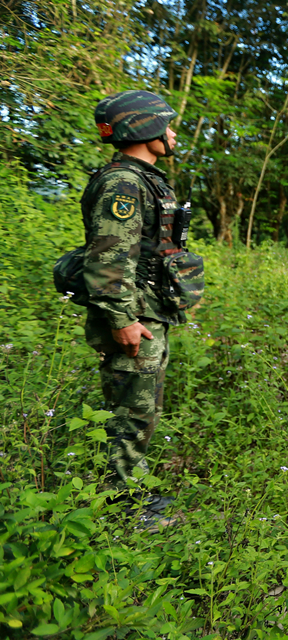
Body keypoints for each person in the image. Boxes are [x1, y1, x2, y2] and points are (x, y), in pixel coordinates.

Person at [84, 91, 203, 524]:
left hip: (148, 311)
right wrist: (122, 320)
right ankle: (125, 507)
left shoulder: (141, 179)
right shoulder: (124, 183)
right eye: (166, 125)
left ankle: (130, 490)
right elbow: (109, 255)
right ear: (145, 128)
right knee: (130, 412)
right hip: (135, 317)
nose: (172, 133)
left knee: (141, 408)